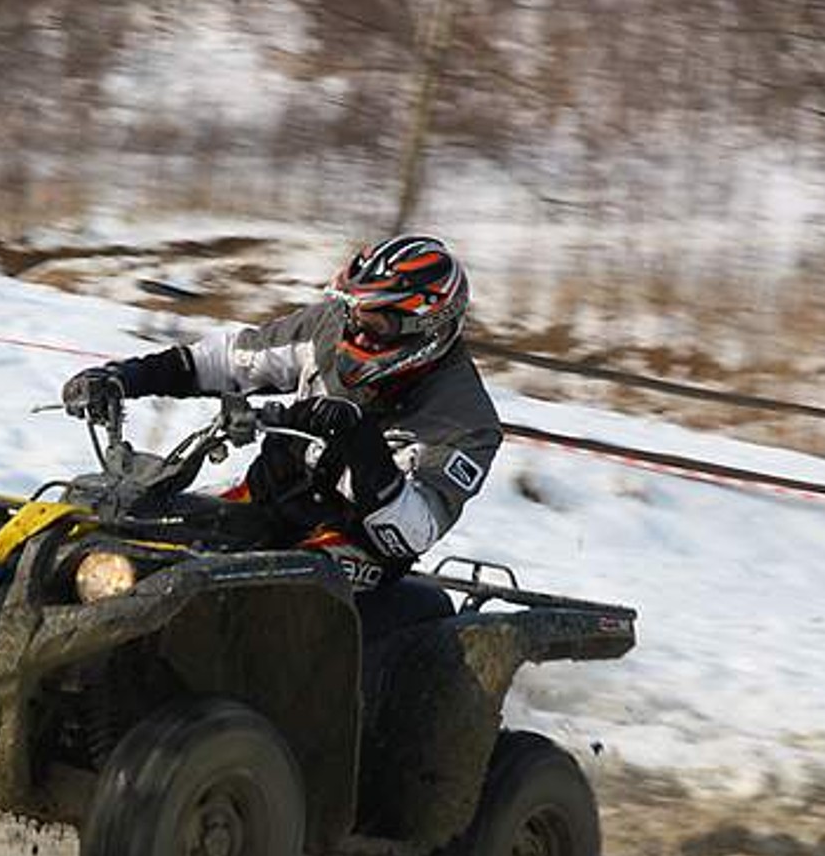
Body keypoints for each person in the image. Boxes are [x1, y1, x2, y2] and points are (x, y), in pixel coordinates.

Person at [62, 234, 503, 641]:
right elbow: (230, 360)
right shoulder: (330, 329)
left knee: (230, 613)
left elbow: (410, 531)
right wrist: (126, 376)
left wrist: (357, 440)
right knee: (137, 529)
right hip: (266, 500)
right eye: (353, 311)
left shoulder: (464, 421)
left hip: (349, 552)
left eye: (375, 321)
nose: (354, 329)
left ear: (426, 327)